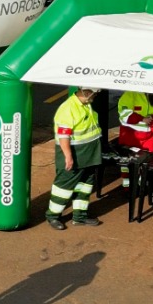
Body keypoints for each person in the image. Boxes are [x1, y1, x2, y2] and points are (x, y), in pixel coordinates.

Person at [46, 87, 102, 229]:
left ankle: (79, 216)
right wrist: (68, 156)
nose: (96, 96)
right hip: (75, 154)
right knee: (64, 186)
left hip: (89, 153)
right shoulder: (67, 109)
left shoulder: (86, 105)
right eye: (95, 93)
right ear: (87, 92)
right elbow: (63, 136)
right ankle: (53, 216)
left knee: (84, 186)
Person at [117, 90, 153, 186]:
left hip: (149, 134)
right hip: (130, 133)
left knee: (149, 160)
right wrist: (142, 119)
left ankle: (143, 183)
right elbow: (124, 113)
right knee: (127, 159)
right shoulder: (130, 93)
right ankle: (127, 183)